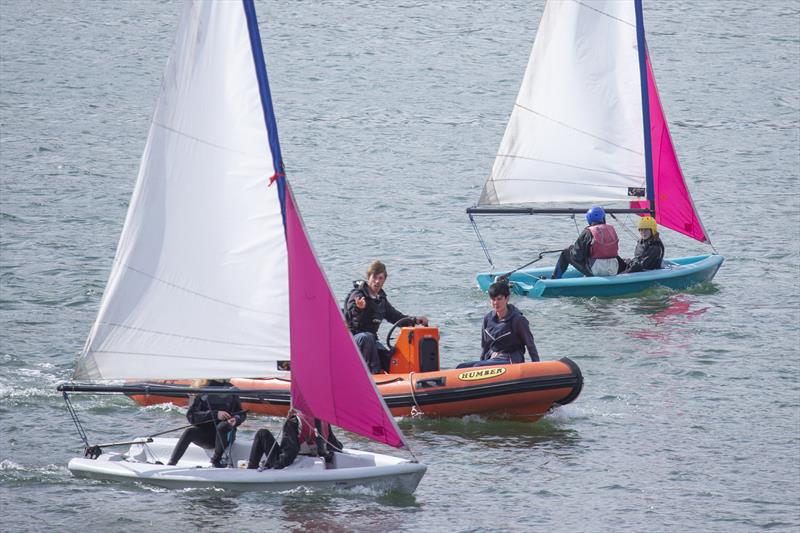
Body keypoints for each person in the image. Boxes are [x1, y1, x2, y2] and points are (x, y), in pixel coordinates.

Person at [343, 260, 428, 374]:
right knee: (366, 337)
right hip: (354, 341)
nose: (377, 281)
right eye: (374, 277)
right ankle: (374, 377)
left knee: (392, 359)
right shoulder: (357, 295)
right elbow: (352, 316)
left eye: (381, 278)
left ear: (384, 280)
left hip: (372, 342)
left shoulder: (381, 300)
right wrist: (359, 308)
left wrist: (415, 320)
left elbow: (395, 317)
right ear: (369, 277)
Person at [457, 281, 539, 368]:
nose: (496, 303)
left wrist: (537, 366)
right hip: (493, 357)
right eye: (493, 299)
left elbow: (530, 344)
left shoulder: (518, 320)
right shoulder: (487, 319)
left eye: (499, 299)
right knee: (461, 367)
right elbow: (485, 346)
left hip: (511, 359)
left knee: (478, 366)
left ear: (507, 299)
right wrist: (483, 360)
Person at [167, 379, 246, 468]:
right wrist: (215, 414)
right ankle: (171, 463)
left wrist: (236, 419)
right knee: (189, 431)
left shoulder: (231, 389)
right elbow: (191, 416)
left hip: (226, 435)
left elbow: (241, 413)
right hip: (208, 436)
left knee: (223, 426)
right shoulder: (201, 389)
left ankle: (216, 460)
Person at [247, 410, 342, 470]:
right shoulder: (323, 419)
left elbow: (290, 452)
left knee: (262, 433)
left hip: (294, 461)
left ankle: (250, 469)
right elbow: (334, 446)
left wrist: (276, 466)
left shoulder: (294, 421)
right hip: (315, 459)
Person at [551, 206, 620, 279]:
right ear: (603, 218)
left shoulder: (588, 232)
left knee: (566, 252)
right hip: (613, 269)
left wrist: (573, 249)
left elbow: (577, 256)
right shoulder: (611, 230)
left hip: (596, 271)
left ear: (589, 219)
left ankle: (554, 278)